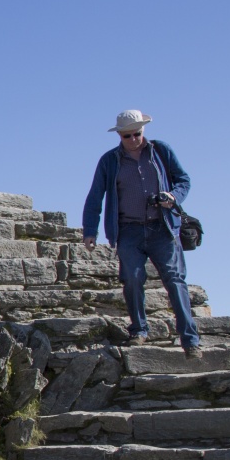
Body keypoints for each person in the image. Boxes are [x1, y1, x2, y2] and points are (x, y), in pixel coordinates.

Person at [81, 109, 202, 354]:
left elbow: (184, 180)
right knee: (133, 279)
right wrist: (90, 230)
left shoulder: (161, 151)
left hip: (163, 228)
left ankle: (190, 340)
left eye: (137, 133)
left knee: (175, 280)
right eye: (127, 136)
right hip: (128, 231)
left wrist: (172, 196)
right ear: (119, 136)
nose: (133, 139)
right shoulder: (109, 161)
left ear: (143, 131)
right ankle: (139, 330)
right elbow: (95, 196)